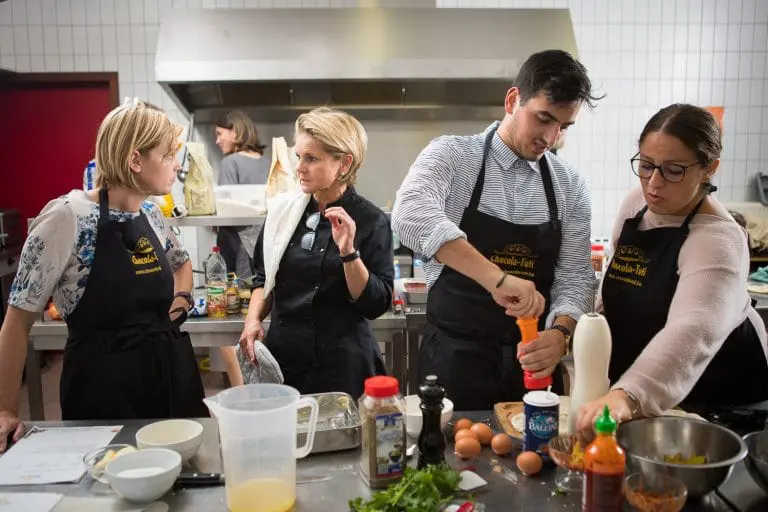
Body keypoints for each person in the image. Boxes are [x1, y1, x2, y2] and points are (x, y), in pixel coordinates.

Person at [391, 50, 602, 410]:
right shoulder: (452, 156)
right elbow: (410, 215)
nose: (550, 137)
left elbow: (575, 277)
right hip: (454, 362)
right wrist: (498, 280)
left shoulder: (571, 185)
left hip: (531, 368)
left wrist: (561, 333)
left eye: (564, 127)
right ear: (512, 100)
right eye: (543, 118)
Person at [0, 99, 208, 451]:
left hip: (168, 375)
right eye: (168, 155)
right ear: (136, 160)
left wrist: (181, 301)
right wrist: (5, 409)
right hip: (104, 388)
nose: (177, 164)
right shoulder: (68, 217)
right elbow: (16, 322)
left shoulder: (151, 214)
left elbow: (181, 263)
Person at [576, 104, 768, 431]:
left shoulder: (718, 240)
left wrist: (628, 395)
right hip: (643, 391)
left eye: (673, 170)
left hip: (718, 407)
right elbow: (614, 285)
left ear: (709, 169)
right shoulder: (636, 204)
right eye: (646, 165)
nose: (654, 183)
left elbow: (692, 329)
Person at [239, 107, 393, 399]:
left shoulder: (371, 221)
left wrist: (348, 252)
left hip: (342, 366)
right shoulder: (283, 212)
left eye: (311, 158)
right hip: (285, 361)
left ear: (344, 163)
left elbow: (376, 304)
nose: (299, 167)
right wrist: (252, 320)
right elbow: (263, 278)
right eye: (299, 156)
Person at [213, 110, 270, 388]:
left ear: (235, 131)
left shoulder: (230, 162)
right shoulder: (269, 163)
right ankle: (264, 384)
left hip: (235, 256)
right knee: (258, 320)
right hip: (265, 256)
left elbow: (226, 212)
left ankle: (241, 388)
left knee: (227, 324)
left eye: (219, 133)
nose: (217, 140)